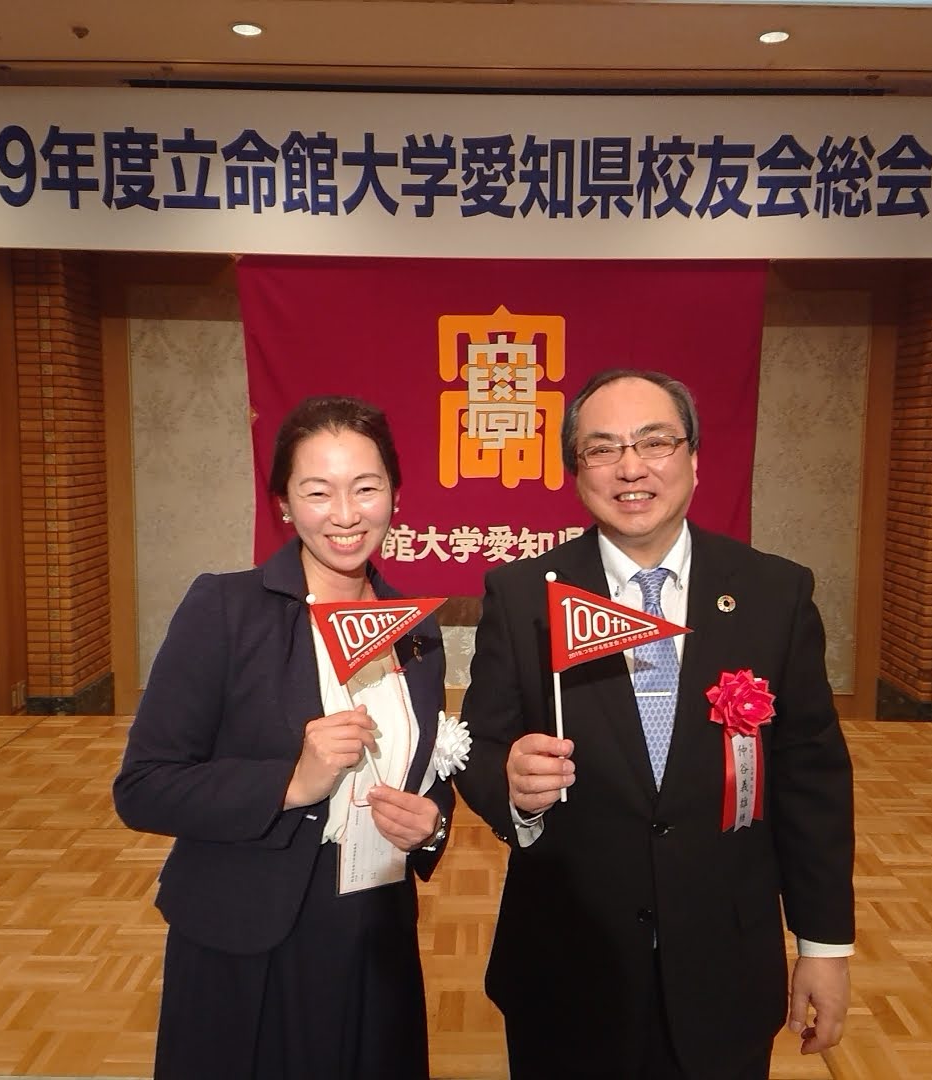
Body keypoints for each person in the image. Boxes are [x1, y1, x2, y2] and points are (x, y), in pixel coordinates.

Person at [454, 369, 855, 1080]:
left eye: (654, 442)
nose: (631, 467)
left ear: (693, 458)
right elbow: (479, 748)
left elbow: (812, 781)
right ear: (577, 470)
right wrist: (511, 785)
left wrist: (823, 947)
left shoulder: (774, 593)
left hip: (725, 966)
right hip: (566, 968)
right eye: (603, 448)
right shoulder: (524, 596)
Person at [113, 395, 454, 1080]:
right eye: (318, 492)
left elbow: (427, 768)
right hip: (249, 936)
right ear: (285, 506)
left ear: (395, 495)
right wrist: (291, 782)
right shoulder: (225, 609)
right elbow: (143, 788)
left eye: (366, 488)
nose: (346, 514)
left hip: (375, 933)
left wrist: (432, 826)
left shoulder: (415, 628)